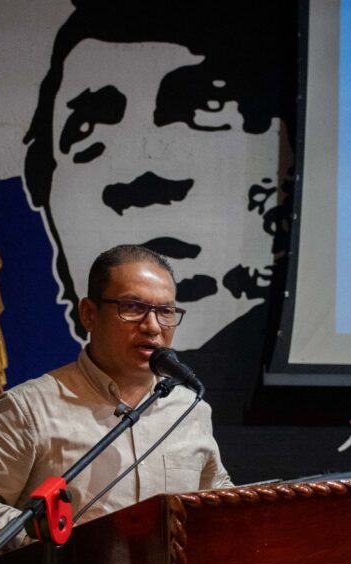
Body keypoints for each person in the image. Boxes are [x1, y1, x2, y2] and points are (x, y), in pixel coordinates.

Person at [22, 0, 296, 353]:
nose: (139, 178)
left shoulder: (192, 408)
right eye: (87, 128)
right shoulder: (30, 407)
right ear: (41, 185)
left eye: (203, 108)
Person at [0, 244, 231, 550]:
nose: (153, 326)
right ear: (89, 314)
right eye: (133, 307)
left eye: (165, 311)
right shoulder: (26, 410)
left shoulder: (190, 410)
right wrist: (58, 550)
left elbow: (219, 504)